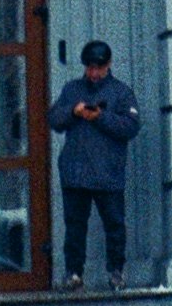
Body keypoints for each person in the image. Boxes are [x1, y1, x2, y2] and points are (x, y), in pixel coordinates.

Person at [48, 39, 140, 291]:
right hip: (75, 172)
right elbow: (54, 119)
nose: (93, 73)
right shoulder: (72, 89)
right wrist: (73, 112)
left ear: (108, 65)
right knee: (75, 227)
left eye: (98, 68)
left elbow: (131, 126)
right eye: (90, 68)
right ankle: (73, 273)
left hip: (107, 172)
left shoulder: (122, 93)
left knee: (114, 224)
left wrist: (101, 117)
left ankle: (116, 271)